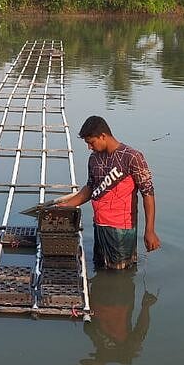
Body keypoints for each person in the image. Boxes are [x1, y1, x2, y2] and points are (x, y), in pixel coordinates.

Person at [56, 115, 160, 270]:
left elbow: (148, 193)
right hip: (99, 225)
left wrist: (149, 230)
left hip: (122, 230)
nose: (89, 147)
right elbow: (90, 188)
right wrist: (66, 205)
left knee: (120, 272)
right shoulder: (94, 159)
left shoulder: (132, 157)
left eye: (91, 142)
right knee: (101, 267)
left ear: (103, 136)